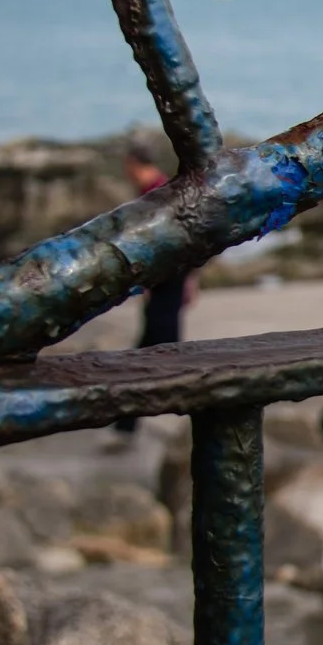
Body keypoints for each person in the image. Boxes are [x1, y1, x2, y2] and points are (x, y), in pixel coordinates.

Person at [113, 130, 190, 440]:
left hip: (166, 275)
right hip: (172, 273)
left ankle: (172, 405)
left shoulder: (153, 192)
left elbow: (158, 240)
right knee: (154, 342)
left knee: (160, 343)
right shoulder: (160, 187)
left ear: (132, 162)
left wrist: (147, 279)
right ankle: (128, 421)